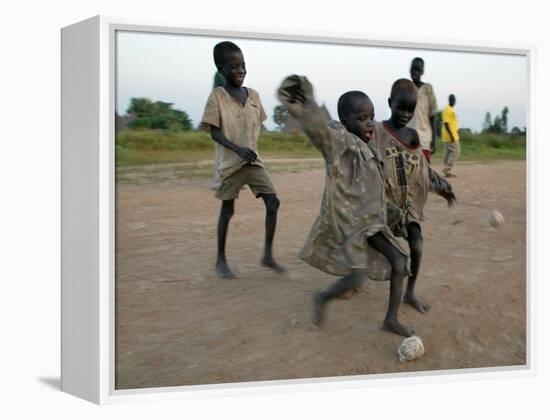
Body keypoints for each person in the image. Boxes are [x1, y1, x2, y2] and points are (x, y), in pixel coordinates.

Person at [278, 75, 415, 337]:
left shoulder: (370, 147)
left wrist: (395, 213)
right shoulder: (340, 143)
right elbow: (321, 131)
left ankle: (391, 319)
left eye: (372, 117)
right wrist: (306, 103)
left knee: (399, 261)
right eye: (362, 118)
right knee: (357, 277)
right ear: (345, 122)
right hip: (351, 225)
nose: (369, 123)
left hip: (372, 222)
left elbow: (374, 189)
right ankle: (322, 297)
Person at [201, 41, 285, 279]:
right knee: (227, 210)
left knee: (273, 203)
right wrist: (237, 149)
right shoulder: (217, 97)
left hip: (254, 162)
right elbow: (214, 132)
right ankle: (220, 260)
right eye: (234, 66)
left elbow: (257, 123)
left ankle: (267, 255)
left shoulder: (254, 95)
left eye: (243, 65)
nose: (240, 70)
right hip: (231, 164)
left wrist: (249, 148)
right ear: (221, 69)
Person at [373, 78, 456, 314]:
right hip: (382, 204)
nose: (405, 114)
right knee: (365, 244)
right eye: (401, 107)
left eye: (410, 109)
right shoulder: (377, 132)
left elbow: (422, 169)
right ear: (390, 103)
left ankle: (410, 292)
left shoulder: (412, 136)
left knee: (417, 245)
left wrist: (442, 186)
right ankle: (352, 277)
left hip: (406, 204)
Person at [407, 57, 438, 163]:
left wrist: (434, 139)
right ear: (409, 70)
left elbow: (432, 115)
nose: (415, 72)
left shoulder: (427, 89)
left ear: (422, 71)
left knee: (424, 172)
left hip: (424, 136)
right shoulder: (405, 88)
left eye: (418, 70)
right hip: (407, 135)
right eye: (413, 69)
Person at [441, 94, 460, 177]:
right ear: (449, 100)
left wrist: (456, 133)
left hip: (451, 134)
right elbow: (446, 123)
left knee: (448, 152)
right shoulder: (447, 109)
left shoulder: (450, 109)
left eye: (454, 99)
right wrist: (452, 135)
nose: (453, 101)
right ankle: (447, 169)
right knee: (456, 151)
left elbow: (452, 123)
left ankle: (446, 170)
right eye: (452, 99)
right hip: (450, 135)